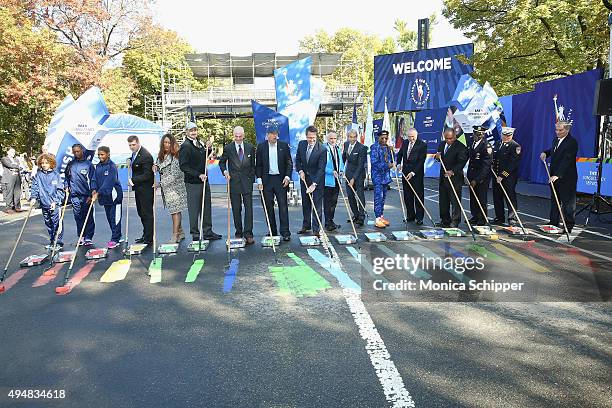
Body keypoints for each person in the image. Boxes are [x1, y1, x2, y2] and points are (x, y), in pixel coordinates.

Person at [179, 122, 222, 241]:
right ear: (186, 132)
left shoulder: (199, 143)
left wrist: (208, 149)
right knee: (194, 209)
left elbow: (204, 158)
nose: (193, 132)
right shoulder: (185, 146)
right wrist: (198, 174)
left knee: (206, 206)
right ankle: (195, 233)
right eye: (191, 130)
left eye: (195, 130)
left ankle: (207, 232)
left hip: (204, 180)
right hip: (193, 182)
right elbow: (183, 166)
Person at [255, 123, 293, 241]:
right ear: (267, 135)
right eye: (272, 134)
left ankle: (285, 232)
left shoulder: (284, 146)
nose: (274, 137)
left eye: (276, 134)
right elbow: (258, 165)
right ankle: (272, 231)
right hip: (266, 181)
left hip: (280, 180)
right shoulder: (261, 147)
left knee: (283, 206)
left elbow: (289, 163)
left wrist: (287, 177)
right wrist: (259, 180)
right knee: (268, 207)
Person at [540, 121, 578, 232]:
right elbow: (554, 151)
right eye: (556, 129)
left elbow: (567, 160)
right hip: (554, 176)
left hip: (566, 178)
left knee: (568, 203)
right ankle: (553, 222)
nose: (557, 132)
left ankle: (568, 225)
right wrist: (545, 153)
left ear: (567, 130)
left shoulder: (572, 142)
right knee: (555, 201)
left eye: (560, 130)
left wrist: (558, 175)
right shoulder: (556, 139)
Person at [220, 126, 256, 244]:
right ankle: (238, 232)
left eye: (240, 136)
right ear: (233, 135)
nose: (238, 138)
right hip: (234, 182)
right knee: (236, 209)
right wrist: (225, 172)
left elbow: (253, 165)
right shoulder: (228, 148)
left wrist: (251, 179)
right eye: (236, 136)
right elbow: (222, 163)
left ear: (243, 135)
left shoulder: (250, 147)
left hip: (247, 182)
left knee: (249, 209)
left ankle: (248, 233)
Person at [154, 134, 187, 243]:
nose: (167, 145)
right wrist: (156, 166)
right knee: (174, 210)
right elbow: (159, 165)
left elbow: (175, 175)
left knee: (175, 212)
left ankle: (175, 235)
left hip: (176, 188)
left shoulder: (176, 156)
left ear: (172, 143)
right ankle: (181, 232)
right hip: (167, 189)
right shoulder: (161, 155)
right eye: (165, 142)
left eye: (169, 142)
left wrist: (160, 183)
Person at [295, 125, 327, 237]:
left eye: (313, 138)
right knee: (306, 203)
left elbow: (321, 168)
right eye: (309, 137)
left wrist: (314, 184)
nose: (311, 140)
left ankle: (316, 228)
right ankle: (306, 225)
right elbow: (298, 160)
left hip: (317, 180)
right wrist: (300, 171)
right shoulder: (302, 144)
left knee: (317, 205)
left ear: (316, 136)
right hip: (305, 179)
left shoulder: (322, 149)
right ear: (306, 136)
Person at [30, 153, 65, 249]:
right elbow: (35, 187)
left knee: (57, 223)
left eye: (46, 163)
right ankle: (52, 240)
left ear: (51, 163)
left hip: (54, 204)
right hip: (44, 203)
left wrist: (56, 201)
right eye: (42, 163)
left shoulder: (55, 175)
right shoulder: (38, 175)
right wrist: (33, 197)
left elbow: (60, 190)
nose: (44, 165)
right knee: (48, 223)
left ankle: (58, 242)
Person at [435, 128, 468, 228]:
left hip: (455, 179)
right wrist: (436, 157)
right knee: (443, 200)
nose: (448, 140)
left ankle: (455, 221)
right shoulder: (441, 144)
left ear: (454, 136)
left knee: (455, 201)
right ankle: (445, 220)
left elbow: (461, 162)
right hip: (443, 178)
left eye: (450, 138)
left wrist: (452, 171)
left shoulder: (461, 147)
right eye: (446, 138)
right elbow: (439, 158)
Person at [91, 146, 123, 249]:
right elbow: (94, 179)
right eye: (99, 154)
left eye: (102, 154)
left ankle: (115, 239)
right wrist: (94, 189)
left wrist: (98, 193)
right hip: (105, 197)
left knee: (115, 218)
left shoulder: (112, 166)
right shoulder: (98, 166)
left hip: (114, 196)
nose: (100, 156)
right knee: (110, 218)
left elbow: (108, 182)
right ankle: (118, 235)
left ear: (108, 154)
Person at [64, 144, 95, 245]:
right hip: (74, 196)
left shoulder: (88, 165)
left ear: (82, 151)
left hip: (86, 195)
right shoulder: (70, 164)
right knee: (78, 216)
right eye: (74, 152)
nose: (76, 153)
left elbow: (93, 181)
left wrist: (91, 195)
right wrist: (66, 186)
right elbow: (66, 178)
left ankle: (88, 237)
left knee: (88, 216)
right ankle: (81, 236)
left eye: (78, 151)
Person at [127, 135, 154, 245]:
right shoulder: (135, 154)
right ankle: (145, 235)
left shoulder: (146, 156)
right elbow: (134, 161)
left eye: (133, 145)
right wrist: (129, 160)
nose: (132, 147)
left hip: (146, 189)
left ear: (138, 143)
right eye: (130, 145)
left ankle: (149, 238)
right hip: (139, 189)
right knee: (141, 212)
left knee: (146, 213)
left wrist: (133, 180)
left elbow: (147, 175)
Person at [396, 127, 427, 225]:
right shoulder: (405, 143)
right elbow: (400, 154)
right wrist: (398, 164)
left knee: (418, 196)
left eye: (413, 137)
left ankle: (419, 217)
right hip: (405, 173)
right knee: (407, 196)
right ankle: (410, 215)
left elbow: (421, 161)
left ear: (416, 135)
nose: (411, 139)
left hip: (416, 174)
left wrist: (413, 172)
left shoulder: (422, 145)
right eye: (409, 137)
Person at [492, 127, 521, 225]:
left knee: (510, 197)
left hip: (508, 177)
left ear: (511, 135)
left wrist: (502, 175)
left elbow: (513, 164)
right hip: (496, 175)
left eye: (508, 135)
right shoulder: (497, 144)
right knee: (497, 197)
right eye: (504, 135)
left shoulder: (515, 146)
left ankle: (512, 218)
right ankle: (499, 217)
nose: (506, 137)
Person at [466, 125, 493, 226]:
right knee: (473, 198)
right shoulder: (471, 143)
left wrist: (476, 180)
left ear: (483, 135)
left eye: (479, 135)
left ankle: (482, 219)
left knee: (481, 198)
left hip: (481, 178)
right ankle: (475, 216)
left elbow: (486, 166)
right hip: (472, 175)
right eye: (476, 134)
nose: (477, 136)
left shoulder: (486, 146)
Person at [342, 129, 367, 226]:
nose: (352, 139)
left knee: (360, 196)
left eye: (354, 137)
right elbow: (344, 158)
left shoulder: (362, 148)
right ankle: (355, 214)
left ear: (357, 137)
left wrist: (354, 178)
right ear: (348, 137)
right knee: (350, 196)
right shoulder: (346, 144)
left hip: (359, 175)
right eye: (350, 137)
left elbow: (361, 165)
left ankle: (361, 217)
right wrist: (341, 169)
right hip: (348, 174)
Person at [370, 130, 394, 228]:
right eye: (382, 138)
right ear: (378, 137)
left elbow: (391, 160)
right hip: (378, 177)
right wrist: (387, 166)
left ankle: (381, 216)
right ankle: (377, 218)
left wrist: (392, 152)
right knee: (378, 198)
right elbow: (374, 163)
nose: (384, 140)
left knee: (383, 198)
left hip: (385, 177)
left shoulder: (387, 148)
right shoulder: (374, 147)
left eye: (386, 138)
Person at [322, 131, 344, 231]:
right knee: (327, 202)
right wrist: (332, 171)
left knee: (334, 202)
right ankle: (327, 222)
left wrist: (342, 170)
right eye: (331, 138)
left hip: (337, 180)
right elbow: (322, 165)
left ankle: (331, 220)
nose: (333, 140)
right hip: (328, 180)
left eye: (334, 138)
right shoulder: (323, 148)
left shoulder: (338, 148)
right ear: (327, 139)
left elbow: (341, 162)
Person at [2, 147, 23, 213]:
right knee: (9, 193)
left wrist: (16, 166)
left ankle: (17, 206)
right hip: (9, 178)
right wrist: (17, 166)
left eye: (14, 152)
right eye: (12, 152)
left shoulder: (16, 160)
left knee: (17, 193)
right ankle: (8, 207)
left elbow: (20, 166)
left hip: (17, 177)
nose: (13, 153)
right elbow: (9, 165)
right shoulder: (4, 159)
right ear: (8, 152)